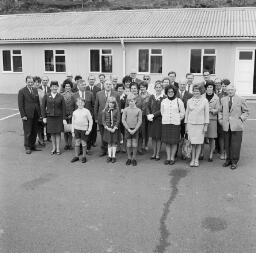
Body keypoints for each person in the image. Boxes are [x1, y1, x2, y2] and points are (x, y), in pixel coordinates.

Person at [218, 84, 249, 170]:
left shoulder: (241, 99)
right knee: (227, 144)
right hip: (226, 125)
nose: (230, 91)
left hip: (237, 126)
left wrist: (240, 119)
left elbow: (246, 112)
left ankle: (234, 161)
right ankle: (228, 160)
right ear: (226, 91)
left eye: (232, 90)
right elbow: (220, 111)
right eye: (229, 90)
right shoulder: (223, 99)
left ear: (235, 90)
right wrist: (221, 120)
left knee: (235, 145)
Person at [185, 84, 209, 167]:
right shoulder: (189, 101)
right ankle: (192, 159)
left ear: (201, 91)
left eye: (197, 91)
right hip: (191, 124)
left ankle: (196, 160)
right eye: (194, 91)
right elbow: (187, 114)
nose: (196, 92)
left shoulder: (205, 101)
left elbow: (206, 114)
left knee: (198, 143)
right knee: (192, 143)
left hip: (200, 125)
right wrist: (186, 126)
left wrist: (206, 125)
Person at [94, 80, 120, 156]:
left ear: (112, 85)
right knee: (103, 135)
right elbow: (96, 106)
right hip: (101, 118)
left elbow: (118, 107)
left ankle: (111, 151)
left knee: (112, 135)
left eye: (109, 84)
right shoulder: (98, 94)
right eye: (106, 84)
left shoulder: (116, 94)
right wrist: (96, 117)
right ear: (104, 85)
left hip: (113, 119)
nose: (108, 85)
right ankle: (104, 150)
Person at [161, 84, 185, 165]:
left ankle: (172, 158)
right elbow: (162, 112)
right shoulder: (164, 101)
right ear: (166, 92)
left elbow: (182, 113)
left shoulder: (179, 101)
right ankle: (168, 158)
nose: (170, 93)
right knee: (167, 142)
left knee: (174, 142)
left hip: (175, 124)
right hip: (166, 123)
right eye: (169, 91)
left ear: (174, 92)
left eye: (172, 91)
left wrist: (178, 119)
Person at [18, 76, 41, 154]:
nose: (30, 83)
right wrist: (23, 115)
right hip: (27, 115)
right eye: (29, 82)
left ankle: (32, 145)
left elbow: (37, 102)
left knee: (34, 131)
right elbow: (20, 105)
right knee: (28, 131)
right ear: (26, 82)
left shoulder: (35, 90)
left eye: (32, 82)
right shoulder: (22, 91)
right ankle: (27, 147)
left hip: (35, 114)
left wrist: (39, 113)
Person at [42, 81, 66, 155]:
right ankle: (53, 148)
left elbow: (64, 108)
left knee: (58, 133)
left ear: (58, 87)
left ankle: (58, 148)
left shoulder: (61, 96)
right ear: (50, 87)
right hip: (50, 117)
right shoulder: (46, 95)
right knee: (52, 133)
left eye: (56, 86)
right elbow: (43, 107)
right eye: (53, 86)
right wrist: (44, 117)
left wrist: (64, 118)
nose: (54, 88)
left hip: (58, 117)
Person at [146, 80, 166, 160]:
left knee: (159, 137)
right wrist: (148, 114)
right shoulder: (152, 96)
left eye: (159, 87)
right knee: (153, 137)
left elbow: (162, 110)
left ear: (162, 88)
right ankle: (154, 153)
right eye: (156, 87)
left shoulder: (164, 97)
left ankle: (158, 153)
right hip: (152, 120)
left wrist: (153, 115)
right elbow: (147, 106)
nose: (158, 89)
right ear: (154, 88)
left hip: (159, 120)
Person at [73, 79, 94, 150]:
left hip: (87, 117)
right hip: (78, 119)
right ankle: (80, 150)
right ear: (78, 86)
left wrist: (92, 115)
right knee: (79, 135)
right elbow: (73, 107)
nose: (84, 86)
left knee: (88, 134)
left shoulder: (90, 94)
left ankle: (88, 148)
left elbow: (93, 105)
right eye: (82, 85)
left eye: (85, 84)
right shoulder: (74, 95)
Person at [122, 93, 142, 166]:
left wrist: (135, 129)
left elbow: (140, 121)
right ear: (127, 101)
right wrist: (128, 129)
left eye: (132, 100)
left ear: (135, 101)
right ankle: (129, 158)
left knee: (134, 144)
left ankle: (134, 158)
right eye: (129, 101)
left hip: (135, 129)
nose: (131, 102)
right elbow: (123, 120)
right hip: (128, 129)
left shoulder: (138, 110)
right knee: (128, 144)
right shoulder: (125, 110)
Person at [70, 98, 93, 163]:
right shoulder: (75, 112)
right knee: (77, 142)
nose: (80, 103)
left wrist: (89, 130)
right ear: (76, 103)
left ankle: (84, 157)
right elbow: (73, 122)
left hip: (84, 130)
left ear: (84, 103)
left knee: (83, 143)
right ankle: (76, 156)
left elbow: (91, 121)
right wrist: (72, 131)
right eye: (79, 102)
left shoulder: (87, 111)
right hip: (76, 129)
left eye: (82, 102)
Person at [202, 80, 220, 162]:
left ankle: (211, 154)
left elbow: (218, 110)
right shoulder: (202, 96)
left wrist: (212, 110)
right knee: (202, 137)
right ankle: (201, 153)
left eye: (211, 87)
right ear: (206, 88)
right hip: (202, 120)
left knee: (211, 138)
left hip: (212, 120)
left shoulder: (216, 98)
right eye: (208, 87)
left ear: (213, 88)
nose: (209, 88)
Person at [102, 96, 121, 163]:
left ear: (115, 103)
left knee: (114, 142)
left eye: (113, 103)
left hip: (115, 129)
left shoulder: (117, 110)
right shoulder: (105, 111)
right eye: (110, 102)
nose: (111, 104)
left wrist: (115, 127)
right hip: (108, 129)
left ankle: (113, 156)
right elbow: (103, 121)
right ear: (108, 103)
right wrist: (107, 127)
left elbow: (118, 120)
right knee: (109, 142)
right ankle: (109, 156)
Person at [86, 74, 101, 147]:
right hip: (86, 111)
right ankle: (88, 141)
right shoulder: (85, 88)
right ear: (88, 80)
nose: (91, 80)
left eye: (93, 79)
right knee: (87, 127)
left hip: (95, 111)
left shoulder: (98, 89)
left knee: (94, 127)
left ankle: (93, 141)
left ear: (95, 80)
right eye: (90, 79)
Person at [61, 79, 76, 150]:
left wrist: (72, 114)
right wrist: (63, 116)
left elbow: (75, 106)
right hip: (64, 115)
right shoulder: (61, 95)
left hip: (71, 115)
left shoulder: (74, 95)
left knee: (70, 130)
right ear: (64, 87)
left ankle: (70, 144)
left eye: (69, 86)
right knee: (65, 130)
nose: (67, 87)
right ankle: (66, 144)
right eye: (66, 86)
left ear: (71, 87)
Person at [33, 76, 45, 146]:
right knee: (34, 127)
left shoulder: (42, 92)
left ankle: (40, 139)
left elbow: (43, 103)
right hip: (34, 112)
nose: (37, 84)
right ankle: (33, 141)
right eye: (35, 82)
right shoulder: (31, 91)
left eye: (38, 82)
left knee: (40, 126)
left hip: (40, 112)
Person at [139, 81, 150, 151]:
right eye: (141, 87)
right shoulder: (138, 95)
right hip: (140, 115)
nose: (142, 88)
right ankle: (140, 144)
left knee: (147, 131)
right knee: (141, 130)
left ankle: (146, 144)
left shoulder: (150, 95)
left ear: (146, 87)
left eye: (143, 87)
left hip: (147, 115)